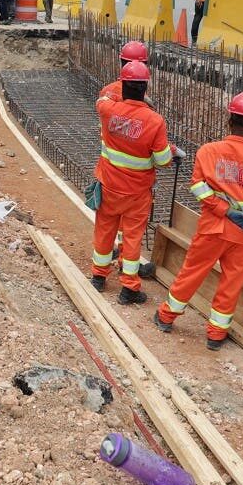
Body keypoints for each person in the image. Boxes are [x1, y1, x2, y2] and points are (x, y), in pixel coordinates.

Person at [153, 93, 243, 351]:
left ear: (229, 119)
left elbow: (197, 186)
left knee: (192, 272)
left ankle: (166, 316)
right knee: (231, 283)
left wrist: (222, 209)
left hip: (213, 227)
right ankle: (216, 335)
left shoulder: (208, 152)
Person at [91, 61, 181, 304]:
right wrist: (171, 150)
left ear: (122, 85)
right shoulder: (154, 121)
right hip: (137, 192)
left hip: (109, 185)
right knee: (131, 237)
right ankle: (129, 288)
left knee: (104, 229)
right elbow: (162, 161)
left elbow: (101, 101)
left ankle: (98, 277)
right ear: (145, 88)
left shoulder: (108, 110)